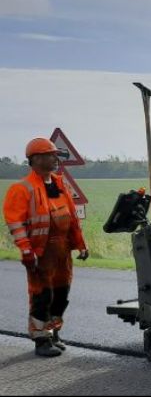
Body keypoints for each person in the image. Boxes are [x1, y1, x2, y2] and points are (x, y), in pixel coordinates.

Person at [3, 138, 89, 357]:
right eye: (51, 155)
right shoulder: (22, 189)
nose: (55, 159)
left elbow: (72, 220)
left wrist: (80, 245)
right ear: (37, 159)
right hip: (40, 252)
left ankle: (53, 332)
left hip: (62, 251)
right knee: (43, 295)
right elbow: (16, 223)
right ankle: (41, 339)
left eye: (55, 155)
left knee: (61, 294)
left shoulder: (60, 185)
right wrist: (26, 250)